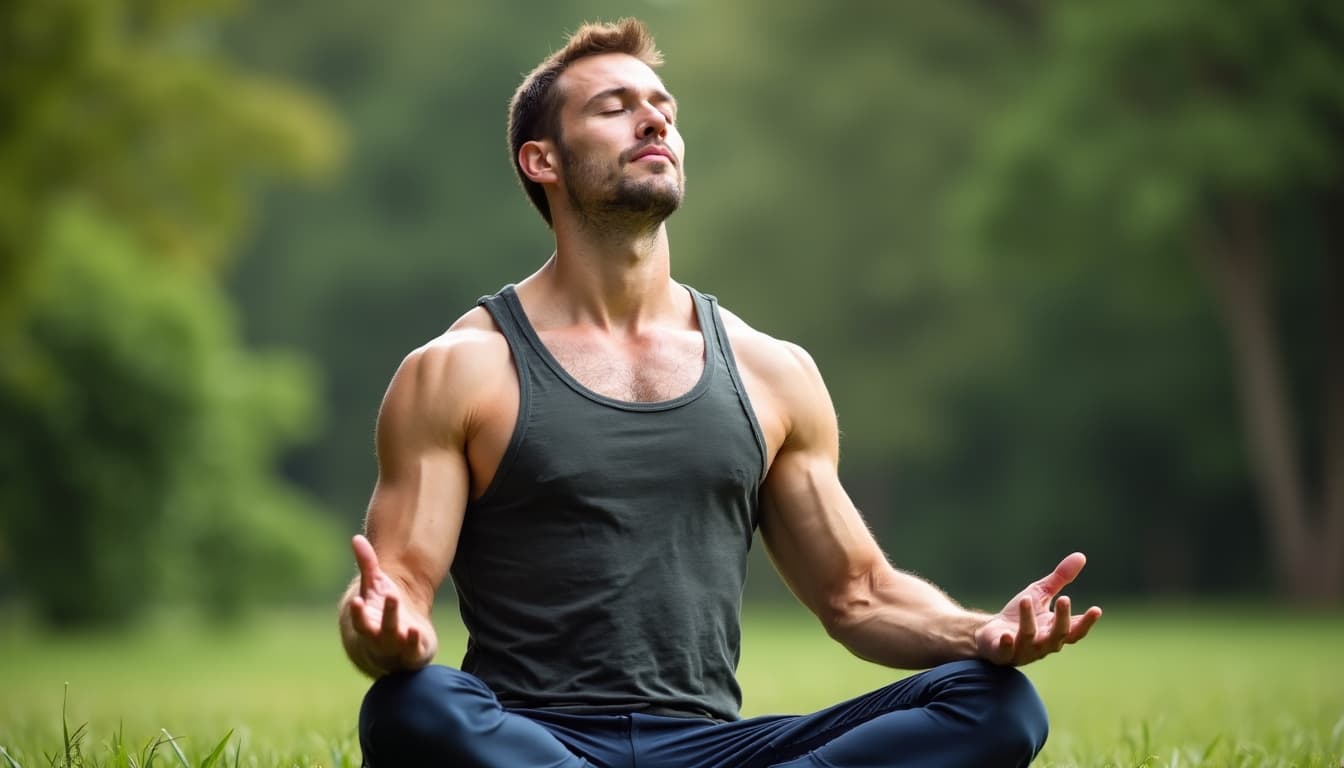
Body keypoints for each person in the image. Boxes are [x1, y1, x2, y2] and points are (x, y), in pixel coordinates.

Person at [338, 18, 1102, 768]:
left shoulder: (771, 371)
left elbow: (859, 596)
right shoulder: (461, 369)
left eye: (663, 108)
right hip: (533, 738)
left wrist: (983, 634)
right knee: (411, 707)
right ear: (543, 160)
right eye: (615, 107)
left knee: (997, 703)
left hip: (713, 746)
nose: (653, 121)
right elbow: (398, 580)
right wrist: (377, 628)